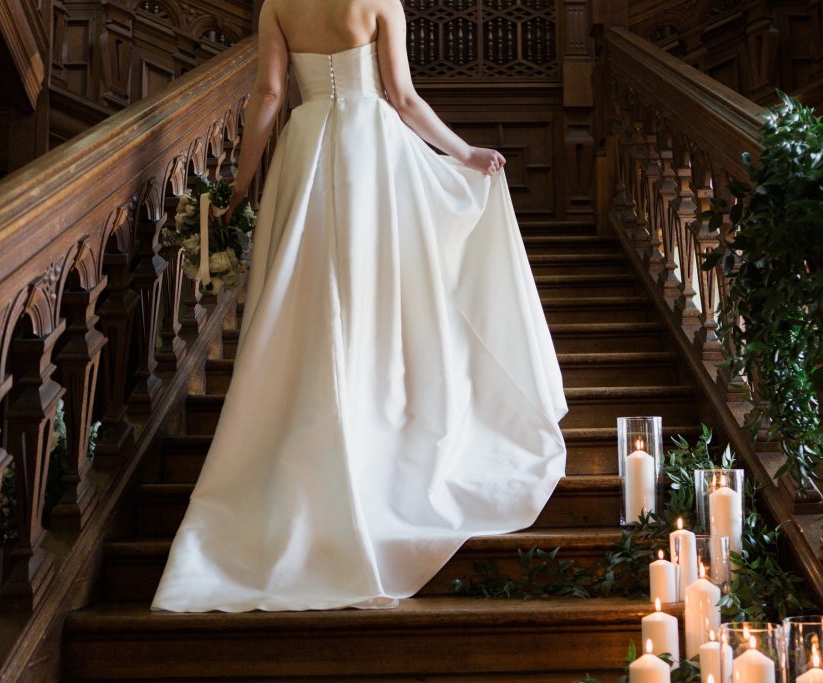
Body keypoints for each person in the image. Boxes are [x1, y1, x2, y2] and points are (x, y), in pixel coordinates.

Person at [150, 0, 568, 612]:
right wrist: (464, 153)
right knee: (375, 302)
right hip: (371, 155)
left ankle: (301, 449)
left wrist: (238, 191)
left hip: (303, 152)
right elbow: (402, 100)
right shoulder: (378, 2)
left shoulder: (276, 6)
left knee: (304, 303)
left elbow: (268, 96)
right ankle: (378, 422)